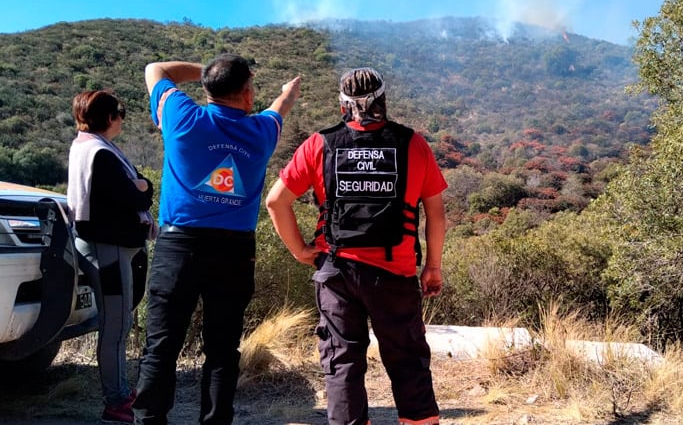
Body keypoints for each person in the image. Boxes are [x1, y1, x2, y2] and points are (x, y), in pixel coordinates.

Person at [266, 67, 447, 425]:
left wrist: (301, 251)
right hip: (394, 274)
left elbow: (276, 202)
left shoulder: (321, 144)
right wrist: (433, 267)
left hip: (337, 273)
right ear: (383, 100)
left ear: (342, 105)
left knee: (342, 365)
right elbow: (436, 215)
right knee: (408, 362)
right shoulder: (412, 144)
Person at [131, 54, 300, 425]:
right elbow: (281, 106)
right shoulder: (261, 132)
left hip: (179, 247)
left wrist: (205, 72)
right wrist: (289, 92)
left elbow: (154, 70)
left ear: (208, 89)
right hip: (234, 252)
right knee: (223, 351)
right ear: (247, 95)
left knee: (161, 347)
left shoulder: (181, 115)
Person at [67, 90, 156, 424]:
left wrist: (141, 186)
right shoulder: (100, 154)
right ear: (107, 117)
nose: (122, 117)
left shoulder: (87, 147)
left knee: (117, 323)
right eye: (119, 111)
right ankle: (116, 401)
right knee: (115, 325)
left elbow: (137, 190)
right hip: (107, 249)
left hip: (104, 245)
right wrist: (142, 187)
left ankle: (118, 393)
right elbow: (137, 198)